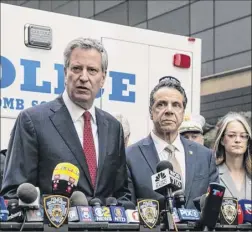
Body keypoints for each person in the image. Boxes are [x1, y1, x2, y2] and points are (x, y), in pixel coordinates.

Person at [1, 38, 129, 200]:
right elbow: (14, 193)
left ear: (102, 78)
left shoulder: (114, 128)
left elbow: (122, 193)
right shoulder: (32, 121)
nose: (83, 77)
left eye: (92, 70)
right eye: (76, 68)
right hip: (55, 224)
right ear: (65, 73)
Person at [126, 77, 219, 209]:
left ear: (182, 112)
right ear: (151, 112)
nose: (169, 110)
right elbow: (128, 208)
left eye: (176, 105)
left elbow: (213, 207)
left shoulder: (205, 156)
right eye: (161, 104)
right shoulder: (130, 157)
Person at [213, 112, 251, 200]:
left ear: (248, 141)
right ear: (222, 140)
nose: (238, 140)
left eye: (243, 136)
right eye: (231, 135)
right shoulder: (212, 173)